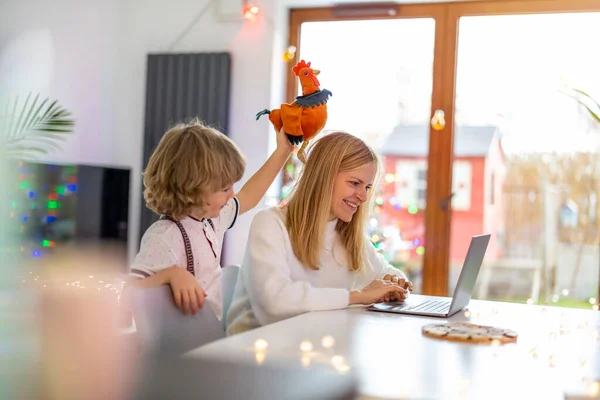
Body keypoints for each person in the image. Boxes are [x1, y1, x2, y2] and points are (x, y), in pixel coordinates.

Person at [226, 131, 412, 335]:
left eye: (367, 187)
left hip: (312, 345)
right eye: (354, 183)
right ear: (323, 177)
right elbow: (275, 304)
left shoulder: (347, 235)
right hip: (255, 350)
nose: (363, 197)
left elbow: (385, 272)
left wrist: (395, 283)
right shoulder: (270, 223)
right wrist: (356, 296)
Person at [127, 120, 293, 320]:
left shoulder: (211, 219)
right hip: (180, 345)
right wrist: (170, 275)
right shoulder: (165, 236)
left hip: (205, 337)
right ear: (193, 189)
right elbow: (128, 296)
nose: (232, 195)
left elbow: (248, 196)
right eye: (224, 189)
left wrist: (282, 152)